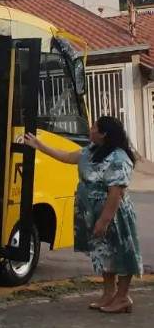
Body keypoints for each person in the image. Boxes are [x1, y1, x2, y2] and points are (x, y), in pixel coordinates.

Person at [23, 116, 142, 313]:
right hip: (93, 211)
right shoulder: (92, 150)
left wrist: (104, 220)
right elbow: (66, 156)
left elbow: (115, 193)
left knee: (121, 254)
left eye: (94, 127)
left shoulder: (119, 158)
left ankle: (122, 297)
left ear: (104, 134)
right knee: (103, 253)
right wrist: (39, 145)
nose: (90, 128)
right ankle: (108, 293)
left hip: (113, 215)